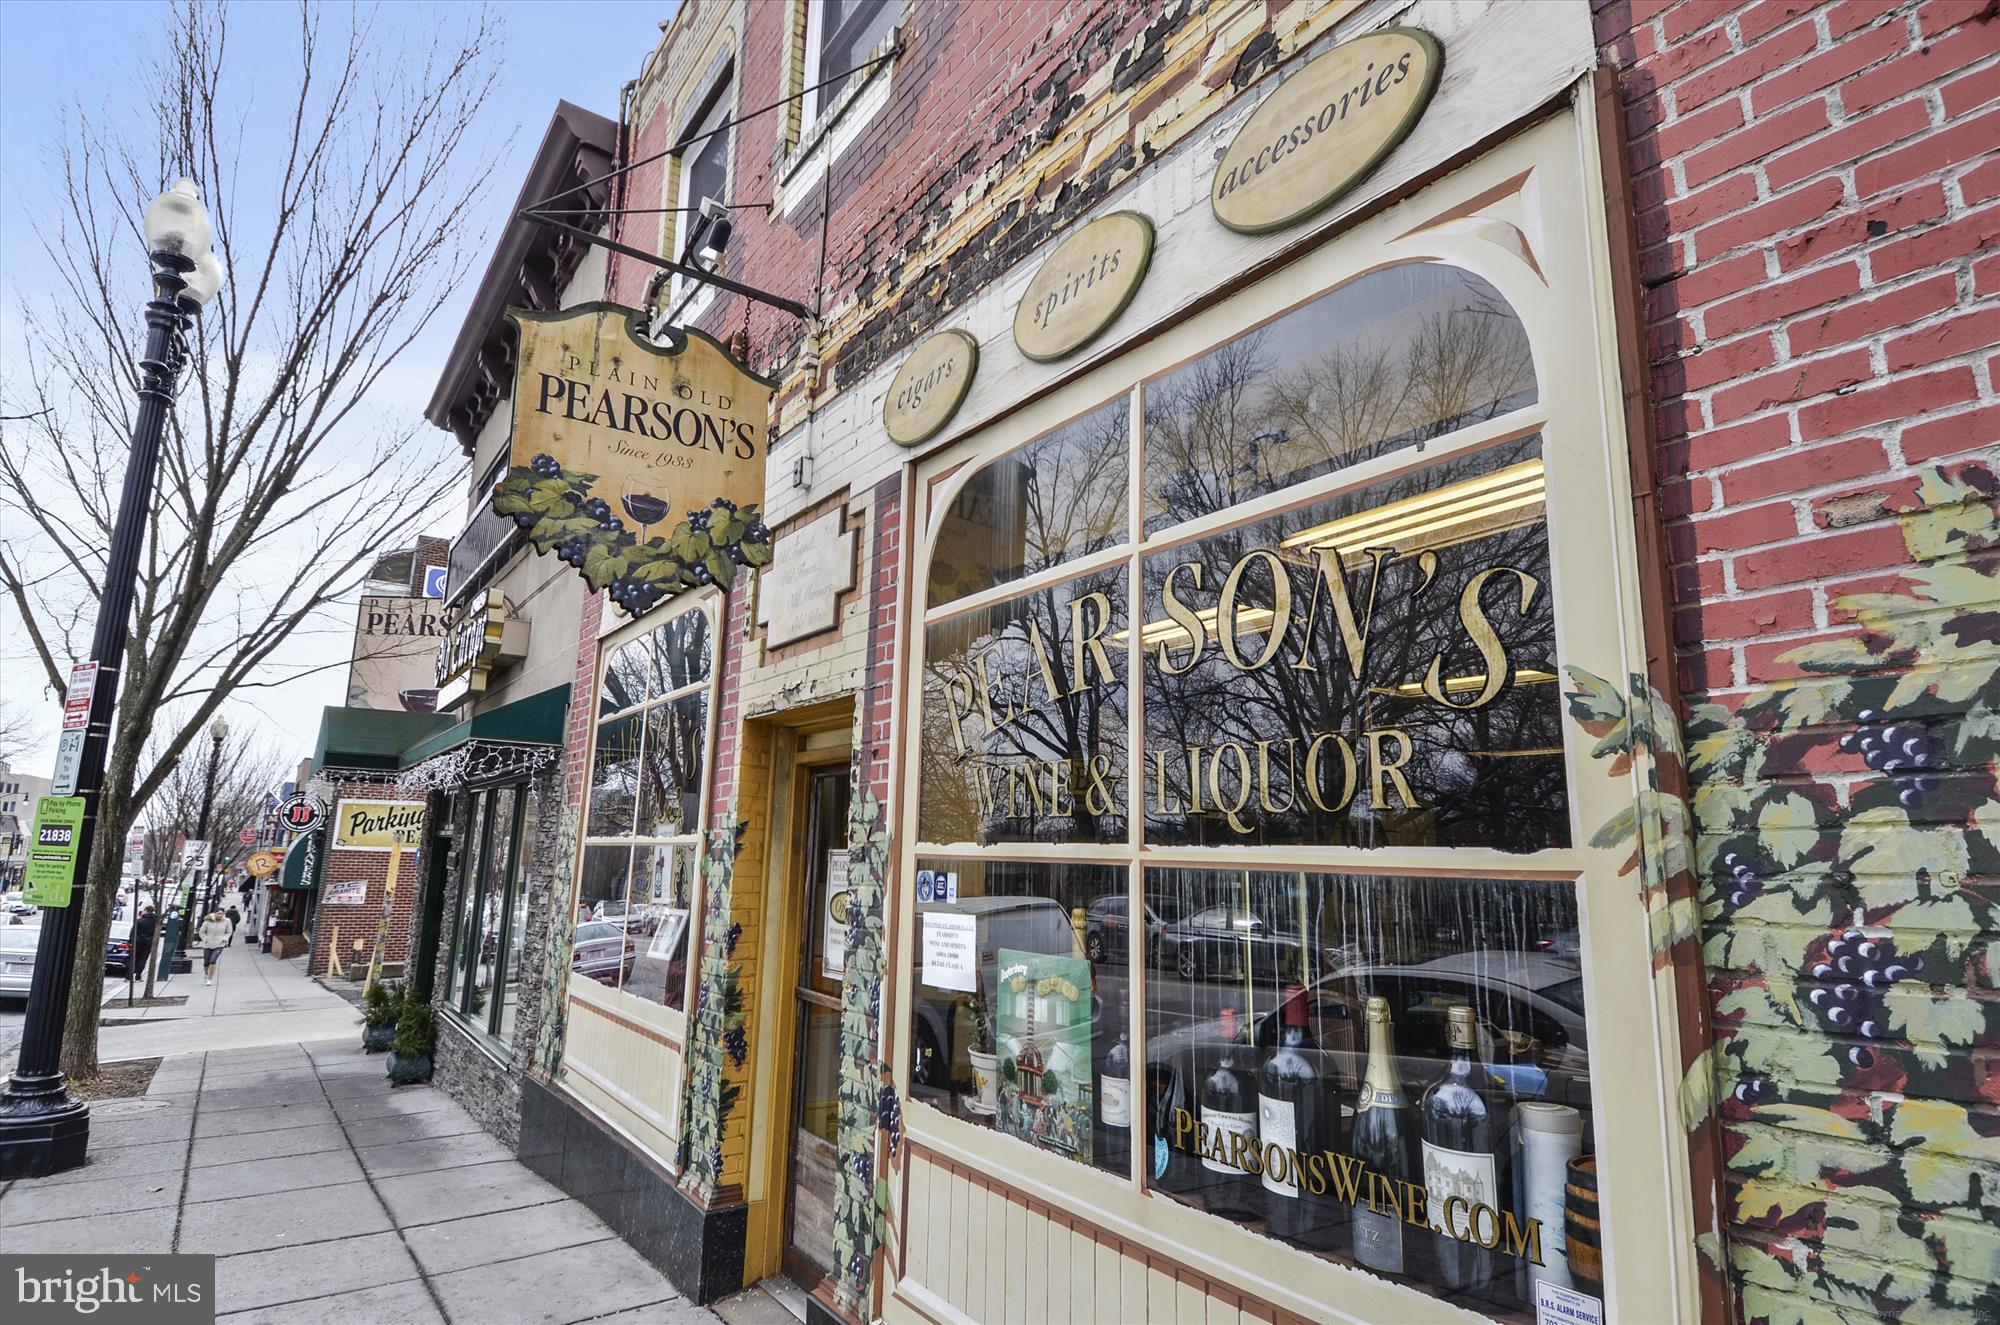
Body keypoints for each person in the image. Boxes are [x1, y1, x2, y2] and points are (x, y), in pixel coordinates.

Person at [197, 907, 234, 986]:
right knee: (206, 962)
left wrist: (225, 938)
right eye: (218, 913)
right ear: (215, 914)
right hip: (208, 944)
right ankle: (206, 974)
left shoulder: (227, 921)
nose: (220, 915)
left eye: (222, 914)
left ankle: (210, 979)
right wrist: (205, 939)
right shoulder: (208, 921)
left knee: (213, 960)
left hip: (219, 944)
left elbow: (229, 932)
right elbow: (201, 932)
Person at [132, 906, 157, 978]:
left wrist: (132, 941)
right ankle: (138, 976)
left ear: (146, 911)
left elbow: (133, 932)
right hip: (148, 943)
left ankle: (129, 975)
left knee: (133, 959)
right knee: (143, 959)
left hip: (138, 942)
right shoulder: (155, 921)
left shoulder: (139, 921)